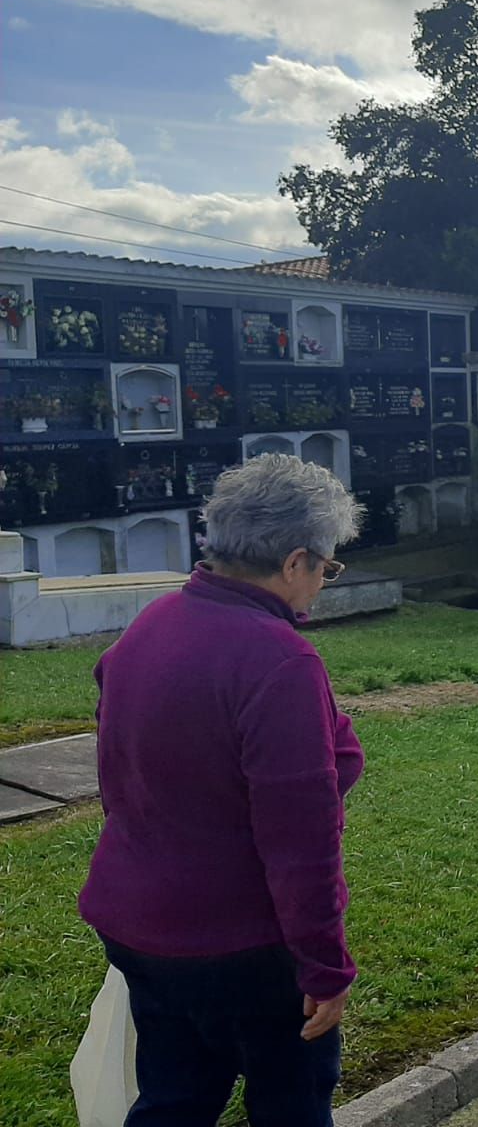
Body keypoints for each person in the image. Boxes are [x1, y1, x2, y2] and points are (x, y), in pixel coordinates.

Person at [79, 454, 365, 1127]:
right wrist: (325, 968)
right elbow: (301, 841)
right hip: (242, 944)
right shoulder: (278, 661)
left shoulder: (151, 626)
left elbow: (126, 768)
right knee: (290, 1104)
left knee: (174, 1097)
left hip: (139, 927)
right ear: (295, 561)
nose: (323, 583)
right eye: (327, 567)